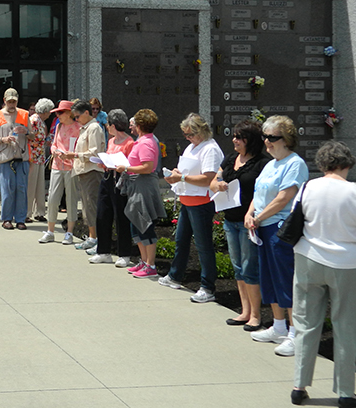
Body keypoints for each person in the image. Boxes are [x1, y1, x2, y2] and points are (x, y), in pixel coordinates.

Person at [289, 141, 356, 408]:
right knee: (347, 326)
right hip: (348, 263)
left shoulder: (308, 187)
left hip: (308, 258)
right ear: (347, 162)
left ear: (322, 163)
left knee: (306, 322)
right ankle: (345, 392)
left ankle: (299, 386)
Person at [244, 115, 308, 356]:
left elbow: (285, 197)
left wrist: (258, 218)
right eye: (265, 137)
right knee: (269, 277)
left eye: (272, 137)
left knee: (285, 280)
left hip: (280, 228)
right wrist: (250, 214)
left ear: (287, 139)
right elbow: (259, 194)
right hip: (261, 227)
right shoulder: (270, 164)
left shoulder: (295, 163)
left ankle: (295, 333)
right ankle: (278, 326)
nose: (267, 142)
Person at [208, 120, 270, 329]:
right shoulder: (231, 158)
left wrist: (252, 215)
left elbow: (262, 193)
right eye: (234, 136)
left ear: (250, 140)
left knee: (249, 268)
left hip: (249, 222)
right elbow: (214, 181)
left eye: (239, 137)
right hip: (230, 220)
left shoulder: (262, 163)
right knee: (237, 268)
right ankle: (244, 311)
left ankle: (255, 315)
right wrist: (219, 184)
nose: (234, 140)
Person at [160, 113, 224, 303]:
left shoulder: (210, 149)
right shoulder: (192, 147)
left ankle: (208, 287)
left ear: (201, 131)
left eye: (190, 134)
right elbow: (187, 172)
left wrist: (181, 177)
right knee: (181, 241)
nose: (187, 138)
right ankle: (175, 275)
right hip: (187, 200)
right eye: (185, 134)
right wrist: (177, 174)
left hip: (201, 202)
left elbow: (208, 179)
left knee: (203, 246)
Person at [116, 109, 165, 278]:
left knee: (145, 224)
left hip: (143, 187)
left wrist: (126, 168)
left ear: (140, 125)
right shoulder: (142, 141)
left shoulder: (146, 143)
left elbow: (148, 167)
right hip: (136, 186)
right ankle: (144, 262)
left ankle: (150, 265)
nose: (132, 127)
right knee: (136, 224)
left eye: (134, 124)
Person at [90, 109, 136, 266]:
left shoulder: (129, 143)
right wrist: (103, 161)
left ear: (114, 125)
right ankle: (103, 251)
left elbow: (131, 165)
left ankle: (124, 254)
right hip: (107, 178)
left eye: (108, 124)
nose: (107, 126)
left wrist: (121, 166)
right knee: (102, 214)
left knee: (121, 217)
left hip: (121, 181)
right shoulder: (111, 141)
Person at [38, 100, 81, 245]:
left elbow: (80, 148)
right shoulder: (59, 126)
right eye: (57, 112)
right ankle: (50, 231)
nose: (58, 115)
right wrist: (55, 151)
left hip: (71, 167)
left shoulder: (79, 128)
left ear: (70, 113)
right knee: (52, 199)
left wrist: (71, 154)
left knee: (71, 200)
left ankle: (69, 232)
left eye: (60, 112)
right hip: (57, 165)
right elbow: (54, 144)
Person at [66, 100, 105, 252]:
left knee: (92, 206)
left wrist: (75, 154)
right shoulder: (86, 128)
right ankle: (92, 237)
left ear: (87, 113)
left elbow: (95, 152)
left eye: (77, 116)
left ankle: (97, 240)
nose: (76, 120)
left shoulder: (94, 128)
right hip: (84, 171)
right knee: (87, 207)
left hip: (92, 171)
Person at [0, 88, 30, 229]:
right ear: (4, 101)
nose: (12, 104)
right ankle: (6, 219)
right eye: (9, 101)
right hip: (5, 157)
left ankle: (20, 219)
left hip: (21, 156)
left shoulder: (25, 115)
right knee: (7, 189)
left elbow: (32, 135)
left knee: (21, 188)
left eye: (14, 101)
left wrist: (26, 131)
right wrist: (4, 139)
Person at [27, 98, 53, 223]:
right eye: (49, 111)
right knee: (31, 186)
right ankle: (27, 213)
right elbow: (29, 137)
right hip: (33, 156)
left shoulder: (41, 122)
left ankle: (39, 212)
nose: (50, 114)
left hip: (40, 156)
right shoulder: (34, 120)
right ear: (45, 111)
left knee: (39, 186)